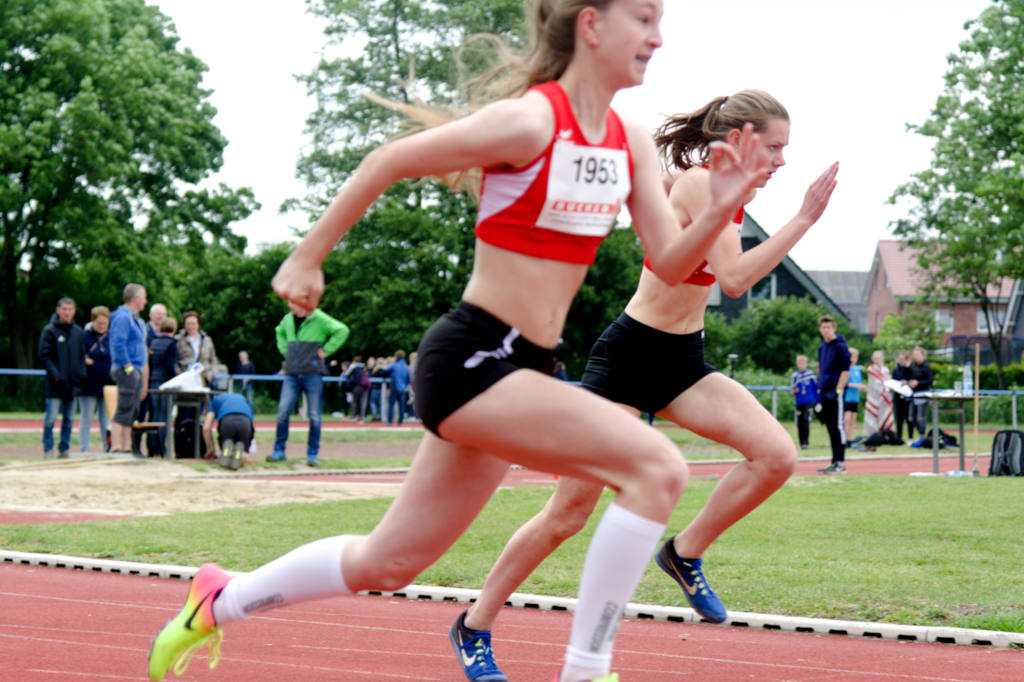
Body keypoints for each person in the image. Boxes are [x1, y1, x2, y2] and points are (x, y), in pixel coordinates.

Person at [147, 2, 769, 680]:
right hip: (474, 358)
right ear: (591, 25)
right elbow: (388, 161)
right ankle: (586, 672)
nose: (659, 36)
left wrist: (714, 211)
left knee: (387, 563)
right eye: (644, 18)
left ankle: (218, 598)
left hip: (520, 366)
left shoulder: (627, 140)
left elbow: (669, 262)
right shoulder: (533, 120)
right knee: (657, 467)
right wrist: (307, 257)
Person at [447, 89, 837, 681]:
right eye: (775, 146)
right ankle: (472, 625)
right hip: (629, 357)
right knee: (568, 514)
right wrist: (805, 218)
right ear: (738, 140)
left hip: (682, 359)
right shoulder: (702, 183)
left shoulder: (735, 192)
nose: (782, 161)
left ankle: (684, 554)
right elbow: (734, 278)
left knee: (776, 454)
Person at [267, 301, 350, 466]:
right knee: (283, 412)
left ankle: (312, 455)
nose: (290, 305)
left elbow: (342, 330)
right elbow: (279, 332)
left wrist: (327, 350)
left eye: (293, 302)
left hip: (312, 374)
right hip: (291, 374)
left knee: (314, 416)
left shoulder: (318, 318)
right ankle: (279, 451)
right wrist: (285, 350)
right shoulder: (287, 319)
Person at [38, 297, 86, 459]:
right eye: (64, 309)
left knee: (69, 418)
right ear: (58, 310)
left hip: (73, 385)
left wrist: (80, 375)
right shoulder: (49, 331)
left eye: (70, 309)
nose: (67, 312)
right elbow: (44, 356)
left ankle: (64, 448)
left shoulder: (78, 332)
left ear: (74, 311)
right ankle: (48, 448)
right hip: (55, 385)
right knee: (50, 418)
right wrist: (56, 375)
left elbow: (81, 356)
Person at [109, 284, 149, 454]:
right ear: (136, 298)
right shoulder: (123, 317)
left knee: (133, 408)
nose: (146, 302)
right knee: (124, 405)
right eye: (144, 298)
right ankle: (115, 445)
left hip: (137, 368)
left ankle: (126, 446)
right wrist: (128, 367)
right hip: (127, 368)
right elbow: (118, 343)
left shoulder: (137, 320)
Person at [815, 314, 851, 474]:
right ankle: (833, 461)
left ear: (834, 328)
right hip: (824, 390)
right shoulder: (822, 347)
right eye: (823, 327)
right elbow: (821, 369)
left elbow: (845, 371)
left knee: (837, 426)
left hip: (835, 392)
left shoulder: (841, 346)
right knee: (829, 427)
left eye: (829, 327)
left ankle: (840, 462)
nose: (826, 330)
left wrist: (838, 390)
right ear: (820, 329)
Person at [78, 306, 113, 454]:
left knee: (106, 420)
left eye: (105, 323)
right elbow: (79, 357)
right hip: (88, 385)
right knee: (86, 417)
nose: (102, 326)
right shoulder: (84, 337)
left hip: (107, 385)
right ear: (93, 321)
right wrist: (83, 361)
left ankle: (107, 448)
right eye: (99, 323)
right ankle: (84, 449)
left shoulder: (111, 337)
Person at [146, 317, 179, 456]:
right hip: (166, 383)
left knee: (154, 415)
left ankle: (152, 448)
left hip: (153, 381)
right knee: (164, 416)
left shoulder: (153, 342)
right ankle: (162, 449)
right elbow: (170, 366)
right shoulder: (172, 344)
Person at [202, 391, 255, 471]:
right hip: (245, 422)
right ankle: (240, 456)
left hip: (227, 421)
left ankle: (225, 452)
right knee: (242, 450)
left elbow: (206, 428)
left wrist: (210, 449)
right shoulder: (242, 398)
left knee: (225, 445)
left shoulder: (215, 401)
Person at [175, 311, 221, 387]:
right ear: (184, 325)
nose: (190, 326)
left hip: (205, 378)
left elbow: (213, 359)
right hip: (185, 379)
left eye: (193, 323)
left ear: (198, 324)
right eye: (188, 324)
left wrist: (212, 374)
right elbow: (174, 360)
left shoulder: (207, 340)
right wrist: (178, 373)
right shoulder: (178, 340)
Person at [861, 349, 893, 442]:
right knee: (873, 416)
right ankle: (873, 435)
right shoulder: (871, 369)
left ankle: (885, 434)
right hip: (874, 396)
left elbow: (888, 381)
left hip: (885, 397)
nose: (876, 360)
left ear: (882, 358)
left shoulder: (885, 369)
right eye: (875, 358)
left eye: (878, 358)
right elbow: (875, 383)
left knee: (884, 414)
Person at [791, 354, 817, 450]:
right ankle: (801, 442)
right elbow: (792, 389)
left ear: (806, 364)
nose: (801, 365)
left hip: (808, 401)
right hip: (799, 402)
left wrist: (817, 401)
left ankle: (806, 442)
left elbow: (815, 388)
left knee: (806, 420)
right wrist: (794, 391)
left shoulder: (811, 375)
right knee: (799, 422)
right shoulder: (795, 376)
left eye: (803, 363)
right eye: (799, 363)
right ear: (797, 364)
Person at [908, 346, 934, 439]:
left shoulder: (926, 366)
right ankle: (921, 433)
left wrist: (918, 383)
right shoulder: (912, 365)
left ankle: (922, 436)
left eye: (917, 354)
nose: (916, 356)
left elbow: (930, 380)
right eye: (914, 354)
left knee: (921, 417)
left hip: (923, 395)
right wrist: (910, 382)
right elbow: (909, 377)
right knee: (911, 418)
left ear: (923, 355)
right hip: (913, 394)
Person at [842, 347, 865, 447]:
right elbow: (845, 384)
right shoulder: (845, 369)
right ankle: (844, 439)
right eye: (851, 357)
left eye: (855, 357)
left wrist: (861, 387)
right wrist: (856, 385)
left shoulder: (857, 370)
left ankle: (849, 439)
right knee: (846, 419)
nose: (853, 359)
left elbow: (859, 382)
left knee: (852, 420)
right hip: (847, 397)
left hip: (855, 397)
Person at [891, 350, 914, 442]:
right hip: (898, 396)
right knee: (899, 418)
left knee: (909, 418)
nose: (901, 361)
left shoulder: (911, 369)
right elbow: (893, 381)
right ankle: (899, 437)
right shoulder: (896, 370)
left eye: (903, 359)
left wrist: (907, 382)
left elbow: (913, 380)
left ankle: (910, 437)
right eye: (899, 359)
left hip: (907, 397)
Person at [386, 349, 410, 425]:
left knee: (391, 404)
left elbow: (386, 370)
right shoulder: (406, 366)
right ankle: (400, 422)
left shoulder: (394, 365)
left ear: (396, 356)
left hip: (394, 386)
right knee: (402, 406)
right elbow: (408, 379)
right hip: (403, 388)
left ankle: (390, 421)